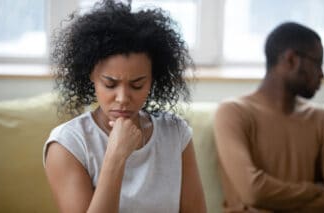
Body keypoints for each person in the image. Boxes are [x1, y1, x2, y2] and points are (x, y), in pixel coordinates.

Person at [43, 1, 206, 212]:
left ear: (152, 80)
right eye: (110, 84)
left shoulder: (175, 133)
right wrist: (116, 156)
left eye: (137, 85)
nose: (122, 98)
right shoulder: (67, 144)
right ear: (91, 75)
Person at [213, 22, 324, 213]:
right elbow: (253, 191)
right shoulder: (233, 113)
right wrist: (315, 190)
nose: (322, 74)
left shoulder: (322, 119)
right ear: (291, 60)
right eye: (317, 63)